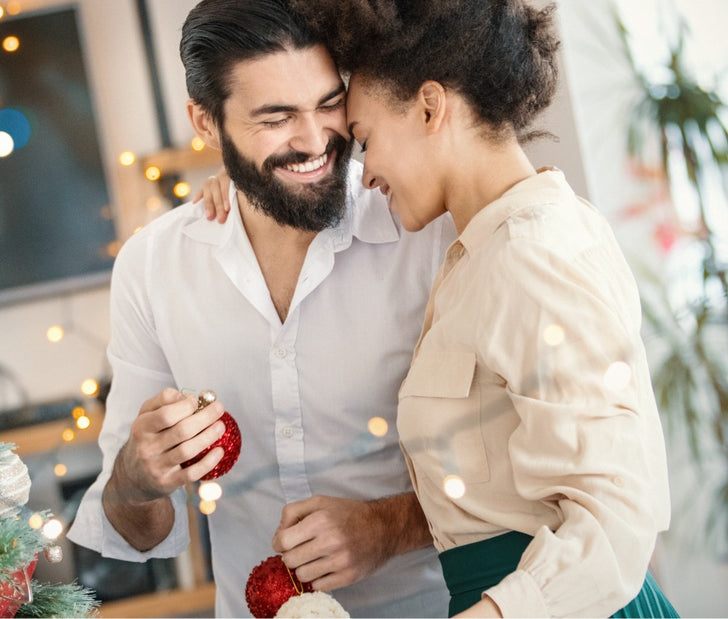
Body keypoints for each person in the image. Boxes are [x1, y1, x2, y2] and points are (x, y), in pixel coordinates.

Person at [279, 0, 679, 617]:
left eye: (365, 140)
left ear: (431, 106)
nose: (366, 173)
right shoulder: (478, 253)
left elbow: (616, 520)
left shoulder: (533, 253)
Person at [66, 0, 455, 616]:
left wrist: (391, 526)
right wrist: (136, 479)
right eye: (276, 118)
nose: (315, 141)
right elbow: (134, 528)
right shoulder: (152, 265)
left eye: (329, 104)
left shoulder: (423, 229)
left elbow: (515, 462)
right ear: (207, 122)